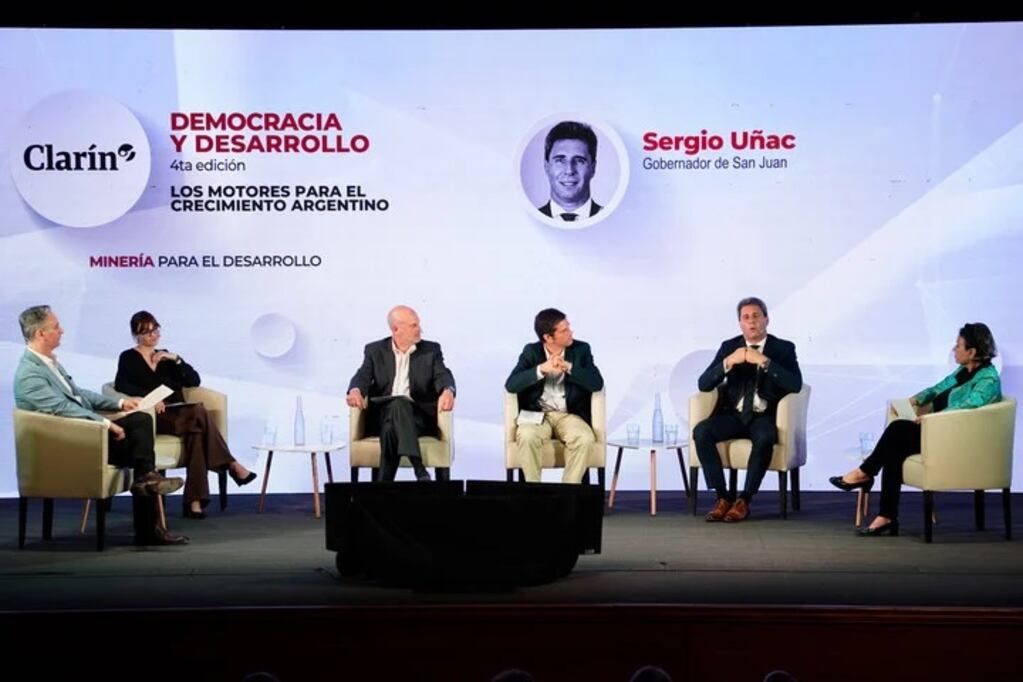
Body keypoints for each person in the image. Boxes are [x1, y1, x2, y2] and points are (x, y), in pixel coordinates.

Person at [14, 305, 188, 545]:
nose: (62, 331)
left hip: (84, 436)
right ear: (41, 333)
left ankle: (148, 485)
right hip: (69, 444)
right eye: (56, 327)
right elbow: (62, 409)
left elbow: (79, 395)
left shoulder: (47, 363)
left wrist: (120, 402)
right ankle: (149, 523)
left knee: (140, 423)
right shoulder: (30, 374)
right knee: (142, 450)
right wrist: (106, 423)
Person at [830, 322, 1002, 536]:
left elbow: (969, 406)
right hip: (936, 430)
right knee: (894, 449)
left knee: (897, 430)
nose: (954, 350)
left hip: (954, 437)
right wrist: (913, 400)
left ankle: (865, 474)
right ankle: (886, 516)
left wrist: (933, 417)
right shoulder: (963, 371)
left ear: (972, 351)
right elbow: (937, 388)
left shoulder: (988, 378)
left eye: (958, 346)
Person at [114, 311, 256, 520]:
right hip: (152, 415)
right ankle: (230, 464)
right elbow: (121, 385)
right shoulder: (128, 357)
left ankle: (194, 503)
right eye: (147, 332)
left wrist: (177, 359)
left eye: (156, 330)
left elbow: (193, 380)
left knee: (197, 433)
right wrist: (151, 399)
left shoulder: (166, 357)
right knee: (199, 411)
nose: (153, 336)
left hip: (178, 411)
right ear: (137, 334)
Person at [693, 297, 802, 523]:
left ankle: (744, 500)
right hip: (733, 415)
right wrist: (728, 362)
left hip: (763, 416)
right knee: (702, 431)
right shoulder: (729, 346)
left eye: (756, 316)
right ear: (740, 323)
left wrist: (764, 361)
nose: (751, 322)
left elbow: (795, 384)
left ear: (766, 319)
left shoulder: (783, 348)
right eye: (746, 318)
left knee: (764, 437)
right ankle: (723, 497)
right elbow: (704, 384)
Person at [346, 305, 456, 482]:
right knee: (395, 408)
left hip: (416, 417)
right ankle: (419, 467)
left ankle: (383, 489)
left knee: (395, 415)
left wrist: (448, 390)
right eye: (414, 325)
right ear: (396, 329)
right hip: (383, 415)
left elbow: (443, 374)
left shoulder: (431, 350)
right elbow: (362, 375)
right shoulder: (375, 351)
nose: (420, 329)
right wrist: (355, 390)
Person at [505, 308, 604, 483]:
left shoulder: (581, 349)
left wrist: (569, 367)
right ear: (548, 337)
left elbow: (596, 383)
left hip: (569, 414)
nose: (570, 332)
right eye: (564, 330)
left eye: (569, 327)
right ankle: (534, 495)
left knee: (585, 438)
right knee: (527, 436)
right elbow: (511, 385)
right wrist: (541, 369)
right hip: (538, 415)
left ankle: (567, 495)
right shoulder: (531, 351)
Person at [537, 121, 602, 222]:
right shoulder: (527, 222)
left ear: (593, 168)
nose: (569, 170)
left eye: (579, 161)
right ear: (546, 166)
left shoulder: (612, 219)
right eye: (560, 160)